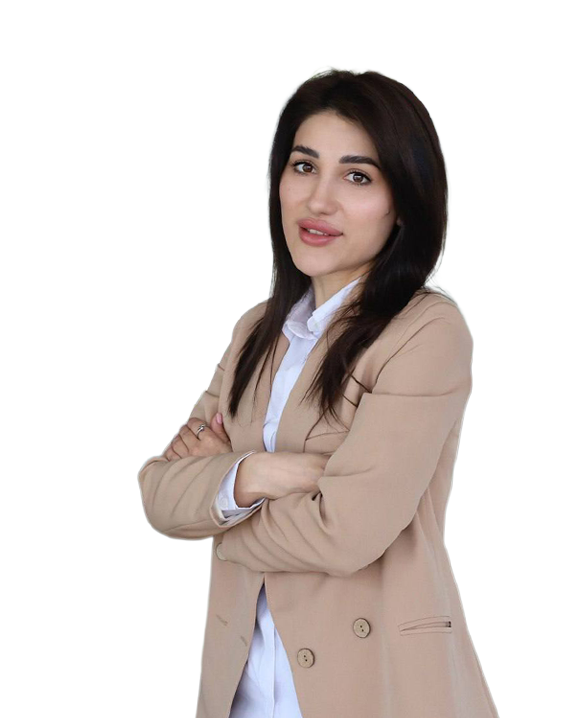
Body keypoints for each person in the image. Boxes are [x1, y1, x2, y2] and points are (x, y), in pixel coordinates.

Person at [138, 67, 499, 718]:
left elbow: (346, 532)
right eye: (304, 167)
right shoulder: (256, 330)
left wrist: (218, 505)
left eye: (357, 177)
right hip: (242, 692)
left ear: (403, 202)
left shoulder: (426, 331)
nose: (318, 200)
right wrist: (261, 473)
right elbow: (160, 496)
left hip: (376, 688)